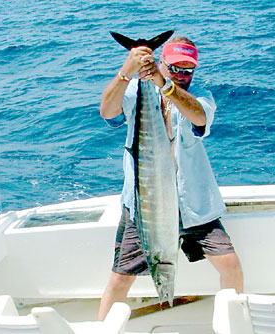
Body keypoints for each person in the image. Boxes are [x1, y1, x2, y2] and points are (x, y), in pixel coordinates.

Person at [98, 35, 243, 320]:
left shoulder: (198, 96)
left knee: (231, 265)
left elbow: (199, 118)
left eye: (187, 70)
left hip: (193, 205)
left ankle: (237, 322)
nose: (181, 75)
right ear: (161, 62)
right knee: (120, 279)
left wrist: (165, 85)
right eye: (174, 67)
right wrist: (127, 70)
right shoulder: (136, 91)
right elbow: (107, 111)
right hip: (145, 206)